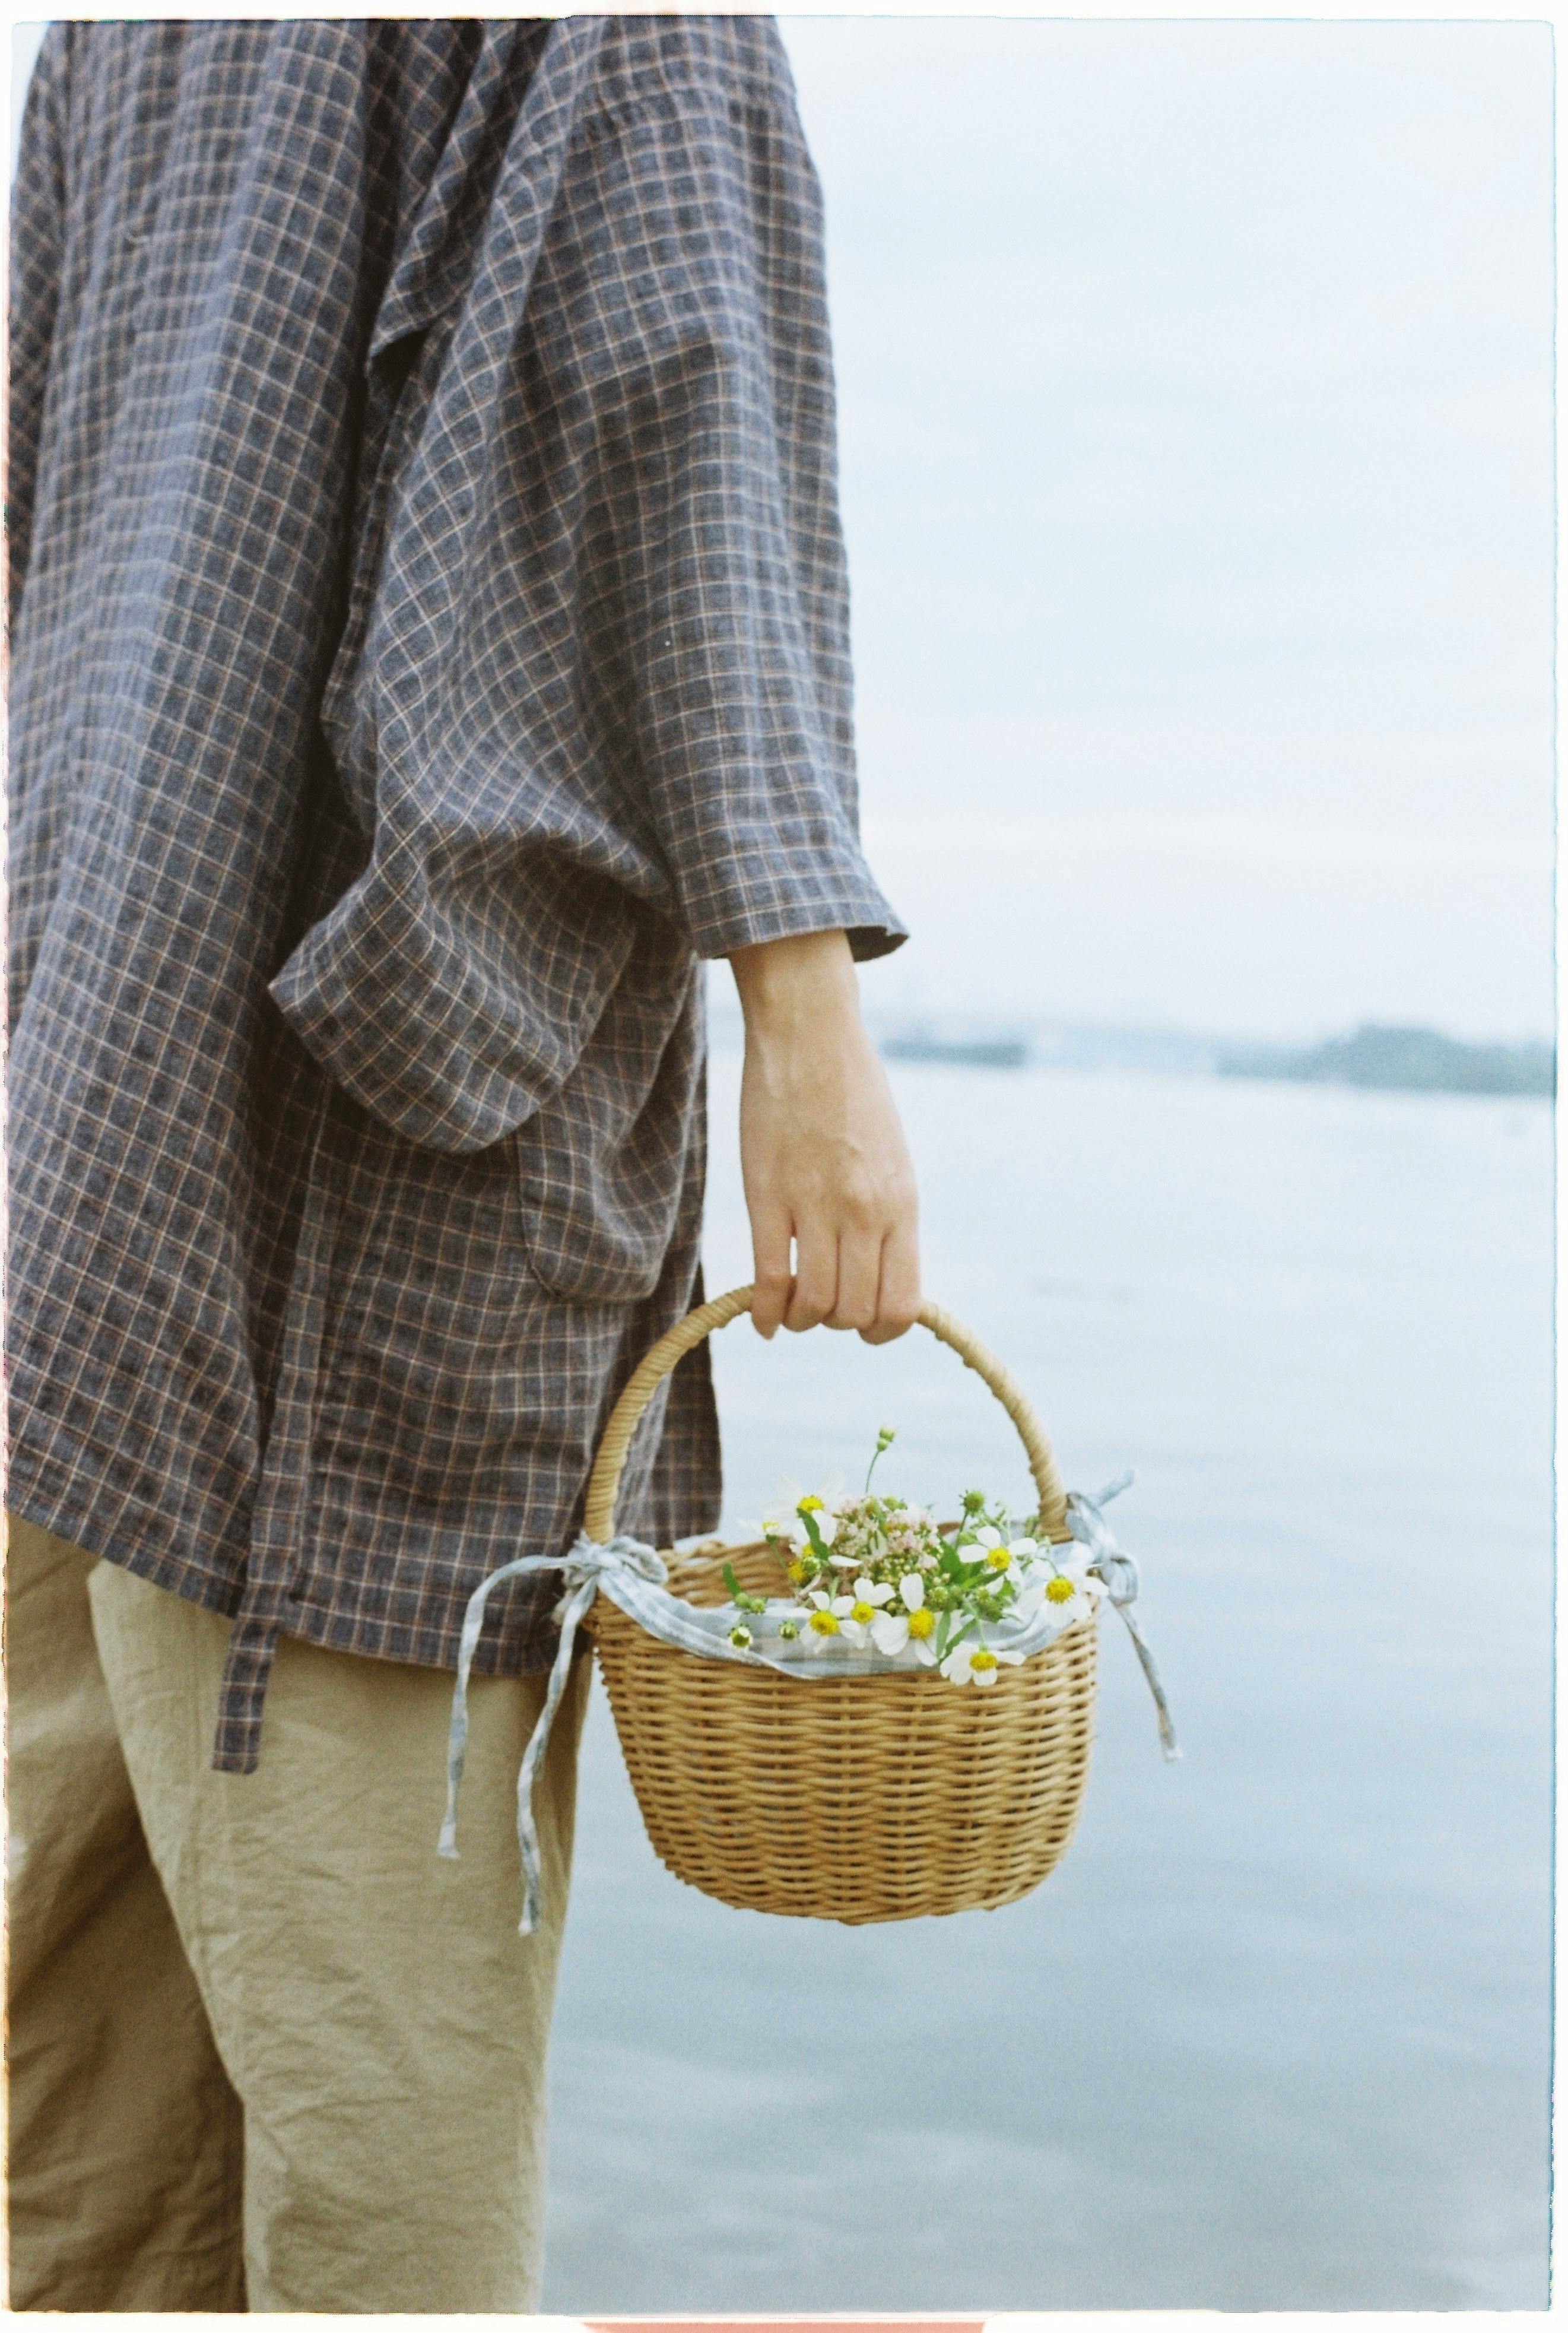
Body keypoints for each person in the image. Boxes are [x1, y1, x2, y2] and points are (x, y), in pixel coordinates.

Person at [7, 17, 919, 2313]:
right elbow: (675, 428)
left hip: (69, 1114)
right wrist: (800, 1003)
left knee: (88, 2098)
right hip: (344, 1218)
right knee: (379, 2098)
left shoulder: (114, 40)